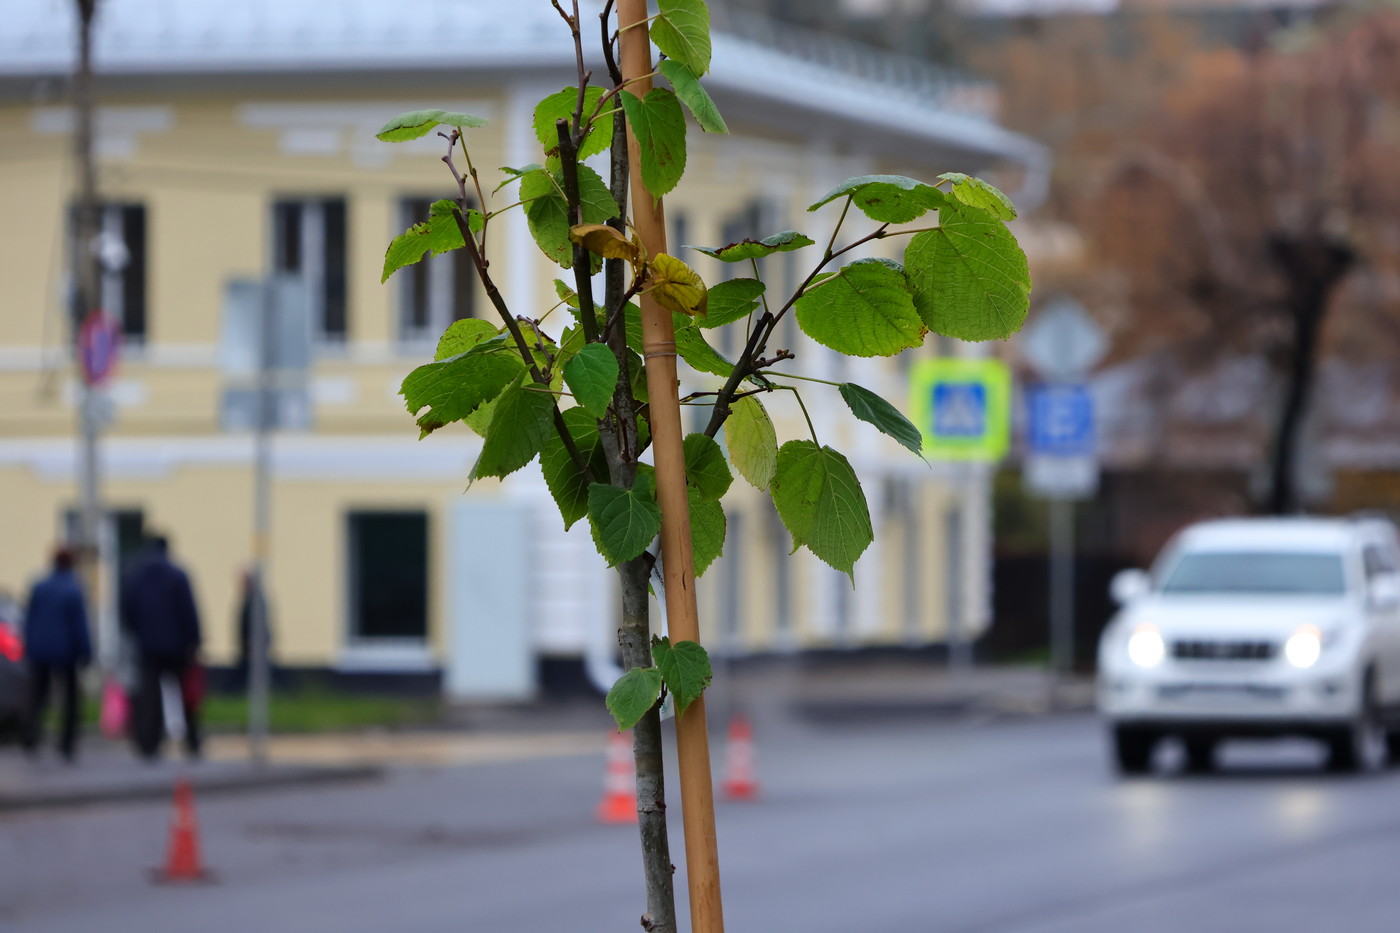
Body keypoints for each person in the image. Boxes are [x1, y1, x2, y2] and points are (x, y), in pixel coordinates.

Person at [121, 533, 202, 760]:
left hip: (147, 645)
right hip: (177, 645)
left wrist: (137, 633)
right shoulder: (177, 575)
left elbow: (126, 609)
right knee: (185, 694)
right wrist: (194, 640)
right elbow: (188, 610)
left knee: (149, 695)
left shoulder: (135, 575)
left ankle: (149, 743)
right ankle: (192, 742)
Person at [21, 546, 92, 761]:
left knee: (37, 695)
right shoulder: (73, 589)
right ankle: (66, 743)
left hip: (40, 650)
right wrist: (86, 651)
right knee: (70, 698)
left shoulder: (39, 587)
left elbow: (29, 619)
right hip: (66, 651)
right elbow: (80, 625)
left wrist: (29, 646)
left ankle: (30, 736)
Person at [233, 569, 273, 690]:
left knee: (253, 672)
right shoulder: (250, 598)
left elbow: (259, 624)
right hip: (248, 644)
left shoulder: (256, 600)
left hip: (254, 644)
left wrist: (254, 641)